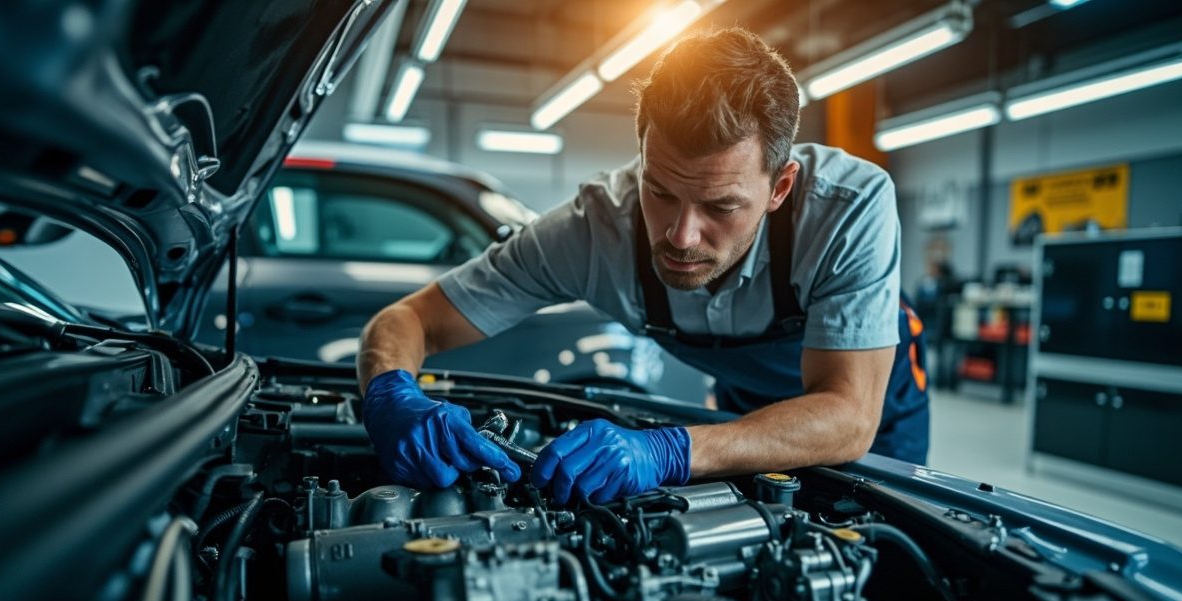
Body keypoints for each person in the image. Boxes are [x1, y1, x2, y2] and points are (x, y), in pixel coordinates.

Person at [356, 28, 929, 505]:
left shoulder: (847, 209)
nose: (681, 236)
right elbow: (410, 320)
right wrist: (390, 394)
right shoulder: (590, 233)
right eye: (658, 191)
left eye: (720, 206)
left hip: (872, 411)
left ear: (779, 187)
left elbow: (849, 414)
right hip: (744, 408)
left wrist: (666, 451)